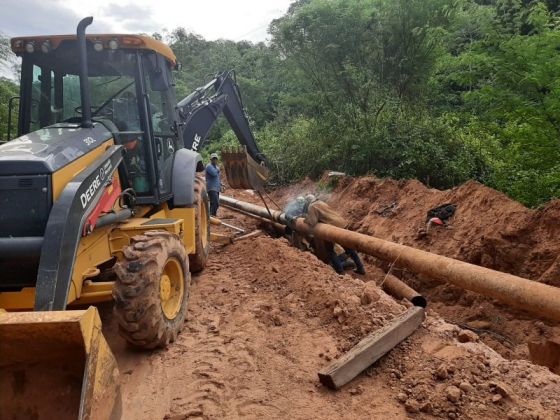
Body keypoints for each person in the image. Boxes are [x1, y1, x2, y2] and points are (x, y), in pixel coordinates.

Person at [302, 194, 366, 275]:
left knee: (330, 251)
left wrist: (305, 219)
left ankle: (340, 272)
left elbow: (312, 222)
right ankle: (361, 268)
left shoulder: (312, 206)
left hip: (332, 228)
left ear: (308, 201)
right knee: (349, 248)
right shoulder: (321, 202)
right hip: (341, 223)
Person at [205, 152, 221, 216]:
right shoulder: (209, 166)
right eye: (213, 159)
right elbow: (214, 174)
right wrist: (218, 169)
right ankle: (211, 215)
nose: (214, 160)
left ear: (217, 159)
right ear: (211, 159)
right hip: (211, 188)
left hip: (216, 188)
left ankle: (212, 215)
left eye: (215, 159)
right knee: (215, 203)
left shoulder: (216, 167)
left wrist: (221, 184)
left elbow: (217, 177)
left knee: (213, 203)